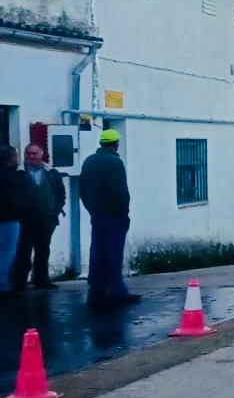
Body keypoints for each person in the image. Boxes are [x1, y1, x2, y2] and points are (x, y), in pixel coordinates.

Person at [80, 129, 140, 306]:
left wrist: (91, 209)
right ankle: (116, 289)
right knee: (114, 252)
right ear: (115, 144)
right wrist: (124, 213)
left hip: (96, 214)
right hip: (114, 215)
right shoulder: (115, 162)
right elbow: (120, 192)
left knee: (97, 250)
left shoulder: (89, 161)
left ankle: (96, 287)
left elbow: (82, 190)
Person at [12, 143, 66, 290]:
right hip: (26, 219)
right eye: (28, 154)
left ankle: (41, 279)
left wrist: (57, 209)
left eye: (34, 154)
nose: (31, 157)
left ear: (41, 154)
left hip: (47, 217)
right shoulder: (19, 173)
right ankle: (20, 281)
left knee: (43, 249)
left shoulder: (52, 172)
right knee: (24, 250)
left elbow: (60, 193)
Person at [0, 146, 26, 299]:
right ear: (10, 159)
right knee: (6, 253)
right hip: (9, 219)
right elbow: (18, 200)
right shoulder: (13, 177)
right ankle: (3, 284)